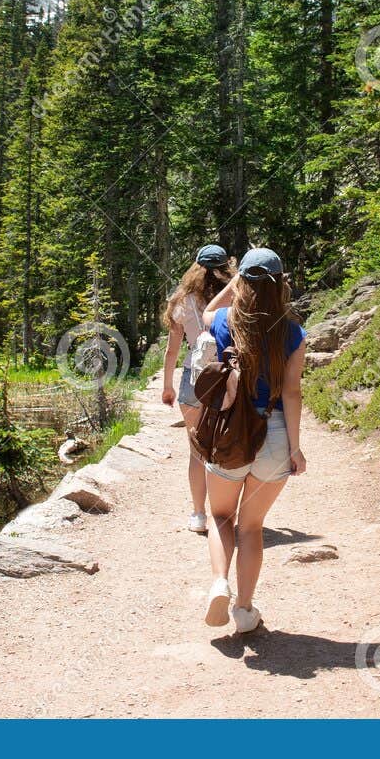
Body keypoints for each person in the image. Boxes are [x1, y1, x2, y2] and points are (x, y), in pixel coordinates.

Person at [198, 247, 306, 633]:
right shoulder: (293, 332)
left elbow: (207, 311)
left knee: (220, 516)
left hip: (230, 433)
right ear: (280, 285)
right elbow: (292, 393)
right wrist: (294, 448)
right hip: (274, 435)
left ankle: (217, 583)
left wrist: (234, 283)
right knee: (251, 527)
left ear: (242, 282)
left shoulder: (224, 320)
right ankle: (244, 610)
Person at [161, 244, 234, 533]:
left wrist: (167, 386)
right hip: (227, 377)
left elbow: (171, 350)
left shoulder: (182, 301)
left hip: (194, 376)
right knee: (225, 445)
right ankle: (224, 513)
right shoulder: (236, 296)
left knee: (197, 451)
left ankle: (198, 514)